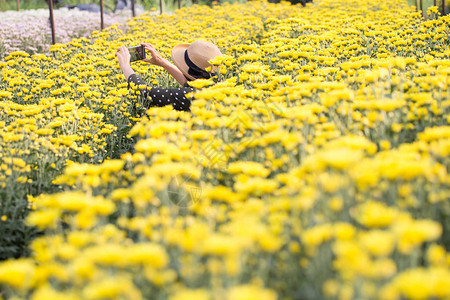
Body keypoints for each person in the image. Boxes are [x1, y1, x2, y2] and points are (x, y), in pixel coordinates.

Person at [115, 40, 222, 112]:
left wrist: (125, 67)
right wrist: (162, 62)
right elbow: (191, 83)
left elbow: (146, 93)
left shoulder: (192, 96)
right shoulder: (216, 88)